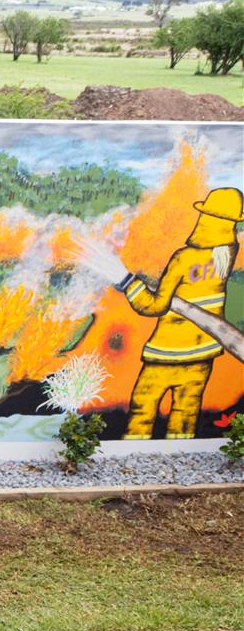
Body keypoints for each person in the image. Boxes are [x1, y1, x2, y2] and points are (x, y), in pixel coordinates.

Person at [116, 186, 241, 440]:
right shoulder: (226, 256)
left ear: (205, 219)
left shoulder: (184, 258)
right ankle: (179, 453)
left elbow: (155, 306)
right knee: (185, 415)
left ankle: (134, 451)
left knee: (142, 408)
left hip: (166, 352)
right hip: (204, 354)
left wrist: (130, 284)